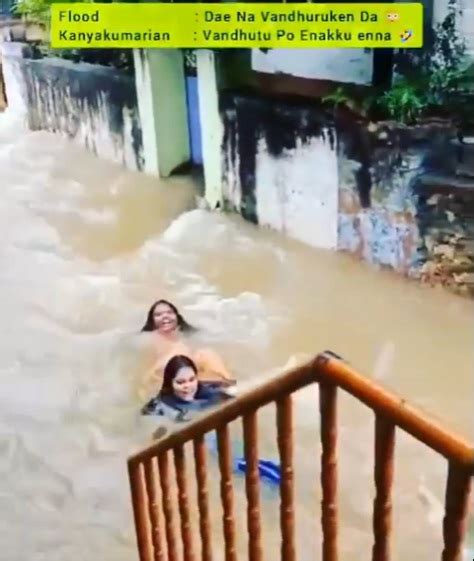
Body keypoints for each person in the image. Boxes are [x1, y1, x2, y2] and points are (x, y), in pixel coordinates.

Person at [139, 299, 235, 400]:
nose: (165, 316)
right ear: (152, 322)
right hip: (169, 378)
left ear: (177, 317)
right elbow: (149, 371)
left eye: (169, 313)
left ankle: (229, 386)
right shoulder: (150, 338)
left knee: (206, 354)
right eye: (158, 315)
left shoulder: (188, 334)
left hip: (192, 375)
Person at [141, 355, 235, 426]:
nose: (188, 386)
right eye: (180, 382)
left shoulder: (210, 391)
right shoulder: (157, 407)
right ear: (170, 383)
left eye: (192, 379)